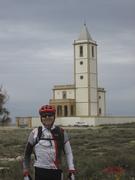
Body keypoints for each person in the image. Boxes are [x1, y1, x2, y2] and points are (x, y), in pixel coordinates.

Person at [23, 105, 76, 180]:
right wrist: (26, 172)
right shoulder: (35, 133)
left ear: (54, 116)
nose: (47, 117)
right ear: (41, 118)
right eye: (44, 116)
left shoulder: (61, 132)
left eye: (50, 115)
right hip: (40, 171)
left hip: (56, 171)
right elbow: (26, 154)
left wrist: (71, 169)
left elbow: (68, 152)